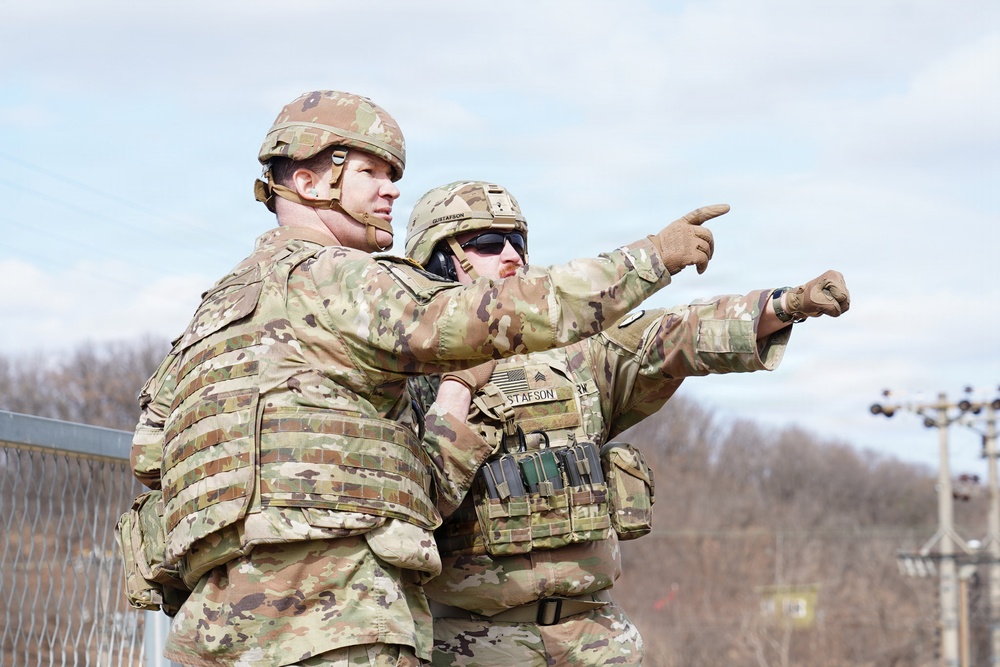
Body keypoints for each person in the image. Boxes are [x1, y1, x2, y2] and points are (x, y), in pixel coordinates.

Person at [121, 91, 732, 667]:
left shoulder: (215, 310)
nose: (390, 191)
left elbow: (151, 455)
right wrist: (652, 258)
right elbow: (506, 314)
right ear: (306, 180)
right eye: (371, 173)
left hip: (212, 627)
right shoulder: (344, 280)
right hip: (338, 613)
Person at [403, 180, 851, 666]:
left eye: (519, 241)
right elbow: (411, 504)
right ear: (441, 258)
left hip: (597, 642)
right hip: (467, 646)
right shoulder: (401, 375)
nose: (512, 254)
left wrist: (786, 305)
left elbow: (676, 333)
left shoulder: (575, 354)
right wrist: (457, 388)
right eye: (488, 243)